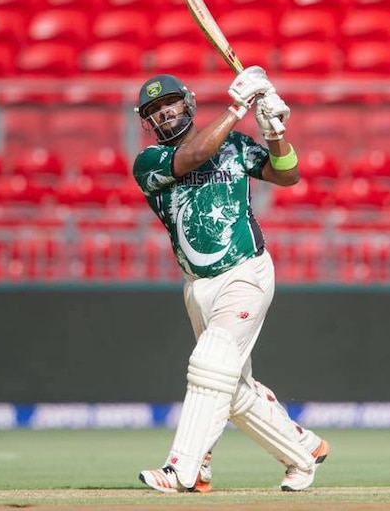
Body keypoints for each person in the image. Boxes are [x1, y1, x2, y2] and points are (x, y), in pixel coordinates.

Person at [132, 66, 330, 493]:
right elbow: (192, 157)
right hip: (198, 286)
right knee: (233, 390)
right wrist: (239, 106)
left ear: (188, 103)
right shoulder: (149, 162)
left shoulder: (235, 145)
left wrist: (275, 131)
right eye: (155, 111)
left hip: (246, 271)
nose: (165, 114)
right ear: (146, 122)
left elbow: (288, 175)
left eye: (170, 103)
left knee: (210, 363)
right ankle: (303, 452)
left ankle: (183, 470)